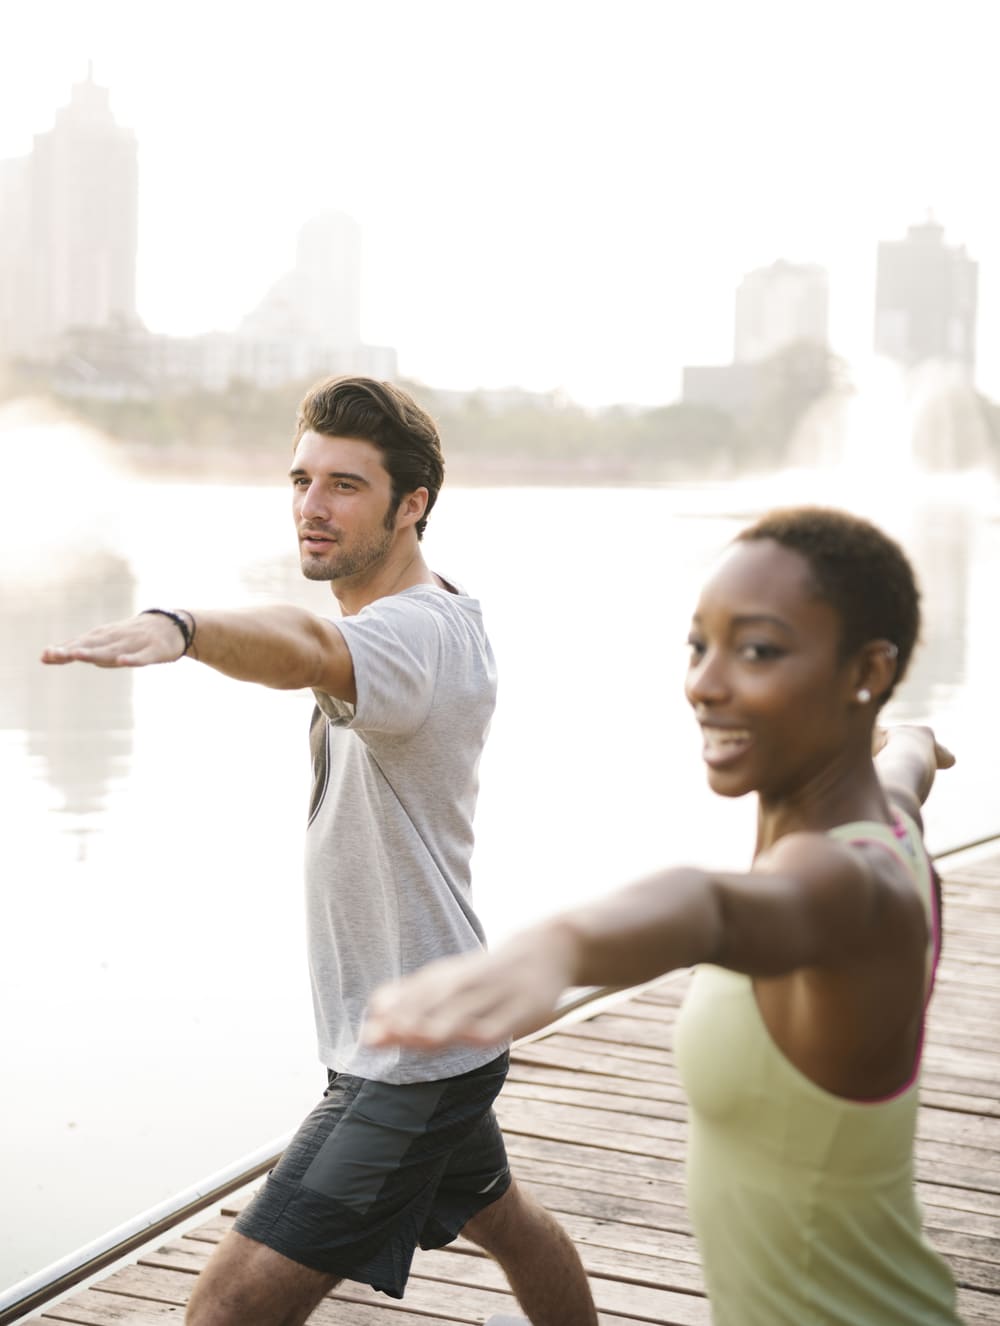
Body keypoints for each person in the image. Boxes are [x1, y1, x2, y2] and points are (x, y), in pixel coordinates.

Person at [41, 376, 597, 1326]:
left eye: (346, 484)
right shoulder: (423, 622)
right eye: (301, 478)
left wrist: (182, 630)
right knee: (510, 1222)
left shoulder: (413, 637)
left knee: (226, 1308)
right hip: (437, 1020)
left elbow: (301, 646)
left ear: (411, 505)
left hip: (413, 1057)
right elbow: (318, 639)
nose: (310, 505)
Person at [365, 505, 964, 1325]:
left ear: (867, 670)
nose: (706, 683)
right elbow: (904, 770)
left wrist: (558, 945)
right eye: (699, 644)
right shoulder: (887, 825)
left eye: (756, 649)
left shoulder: (855, 888)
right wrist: (915, 743)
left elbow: (710, 907)